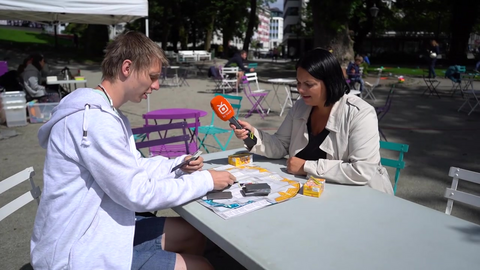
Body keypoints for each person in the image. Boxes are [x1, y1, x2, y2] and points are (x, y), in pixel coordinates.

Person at [31, 31, 236, 270]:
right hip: (77, 251)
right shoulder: (96, 121)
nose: (156, 85)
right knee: (202, 266)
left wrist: (177, 165)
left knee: (194, 233)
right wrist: (206, 181)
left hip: (103, 225)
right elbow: (138, 193)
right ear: (127, 68)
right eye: (152, 77)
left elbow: (134, 166)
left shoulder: (110, 114)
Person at [230, 48, 393, 194]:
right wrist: (252, 135)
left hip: (362, 198)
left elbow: (362, 171)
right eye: (299, 83)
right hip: (315, 197)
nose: (300, 90)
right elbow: (280, 146)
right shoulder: (300, 107)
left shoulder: (360, 113)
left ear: (330, 82)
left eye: (309, 84)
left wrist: (305, 167)